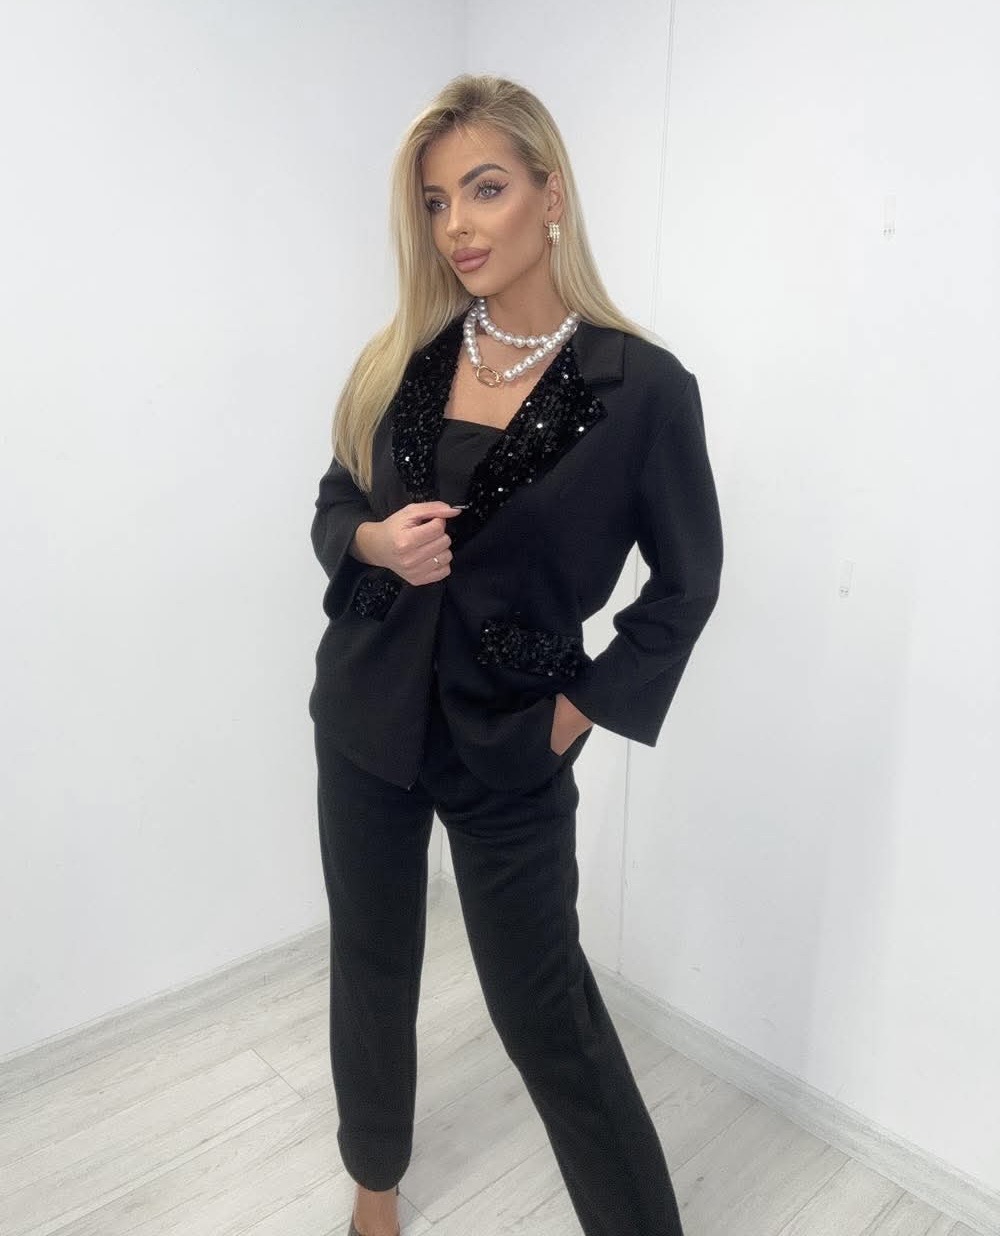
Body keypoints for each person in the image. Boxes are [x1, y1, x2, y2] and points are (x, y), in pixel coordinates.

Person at [309, 73, 724, 1236]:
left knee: (548, 1015)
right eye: (437, 202)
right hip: (366, 719)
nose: (458, 225)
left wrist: (573, 713)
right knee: (371, 967)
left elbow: (686, 586)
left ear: (551, 193)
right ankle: (373, 1188)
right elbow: (334, 503)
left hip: (510, 742)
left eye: (484, 189)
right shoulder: (405, 359)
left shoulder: (642, 390)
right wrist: (375, 541)